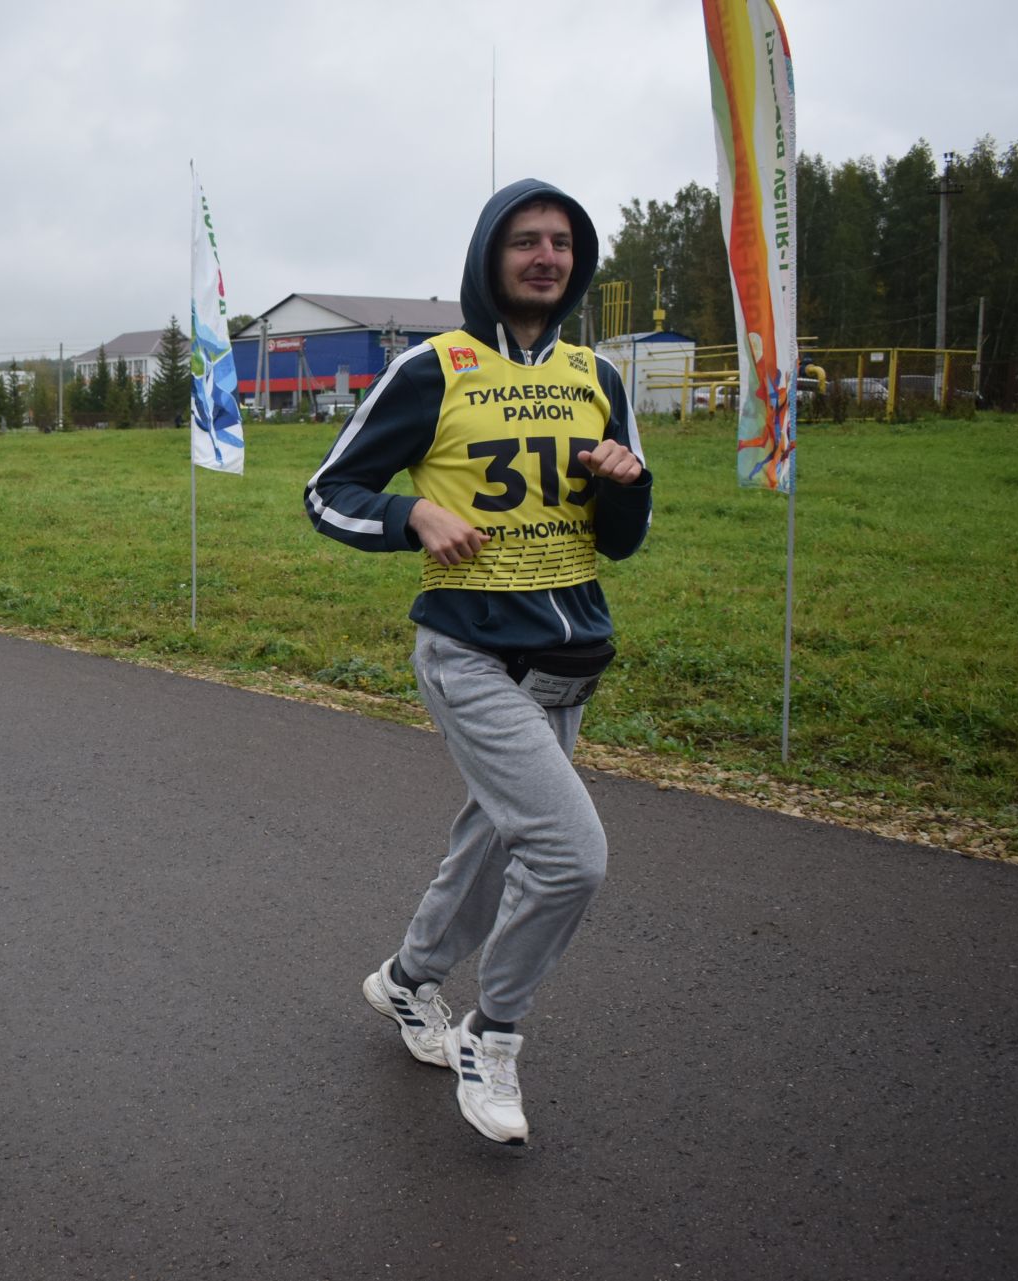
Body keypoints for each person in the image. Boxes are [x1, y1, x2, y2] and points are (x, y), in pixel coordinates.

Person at [305, 179, 653, 1146]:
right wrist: (409, 512)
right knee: (571, 855)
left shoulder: (598, 376)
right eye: (525, 241)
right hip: (467, 648)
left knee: (497, 839)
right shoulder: (434, 368)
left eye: (561, 242)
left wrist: (628, 481)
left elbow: (623, 536)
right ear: (489, 258)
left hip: (568, 657)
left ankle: (410, 981)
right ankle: (492, 1036)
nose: (547, 256)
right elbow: (328, 489)